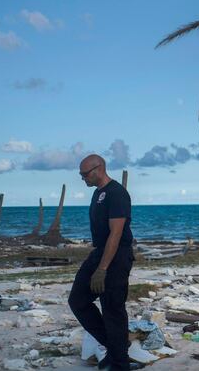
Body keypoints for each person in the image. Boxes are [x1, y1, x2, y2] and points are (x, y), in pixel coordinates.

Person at [68, 155, 134, 371]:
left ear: (98, 169)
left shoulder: (117, 193)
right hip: (100, 252)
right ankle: (117, 350)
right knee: (78, 300)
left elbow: (116, 234)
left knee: (112, 308)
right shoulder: (98, 193)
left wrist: (102, 269)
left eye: (84, 174)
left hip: (116, 256)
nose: (82, 178)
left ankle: (120, 364)